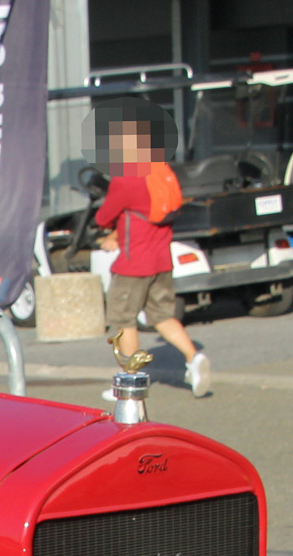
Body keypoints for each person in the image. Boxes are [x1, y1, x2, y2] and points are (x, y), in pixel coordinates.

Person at [94, 110, 210, 397]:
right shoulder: (162, 172)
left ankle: (128, 381)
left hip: (133, 265)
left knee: (124, 321)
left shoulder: (126, 179)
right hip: (161, 260)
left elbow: (103, 216)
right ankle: (193, 358)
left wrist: (109, 232)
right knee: (162, 316)